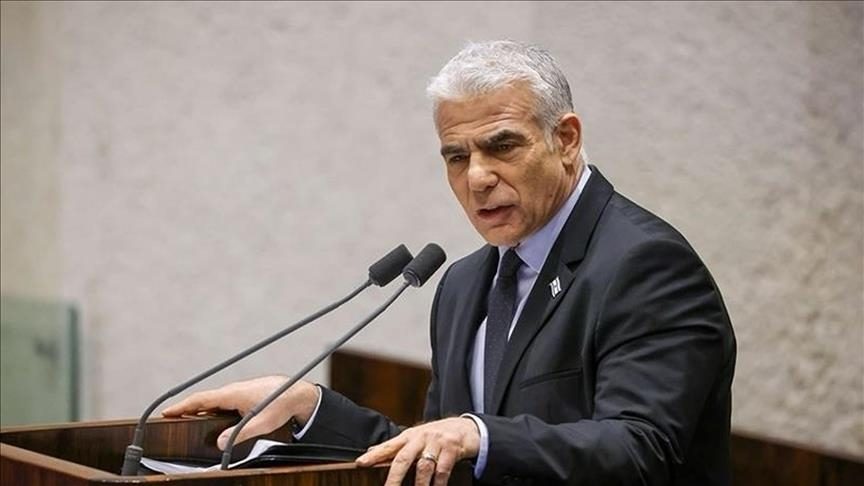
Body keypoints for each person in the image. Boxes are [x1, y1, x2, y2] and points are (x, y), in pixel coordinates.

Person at [163, 40, 736, 486]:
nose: (477, 177)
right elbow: (440, 453)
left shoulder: (644, 264)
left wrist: (480, 435)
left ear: (565, 139)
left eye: (502, 146)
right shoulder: (464, 283)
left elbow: (641, 451)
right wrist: (308, 407)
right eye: (456, 156)